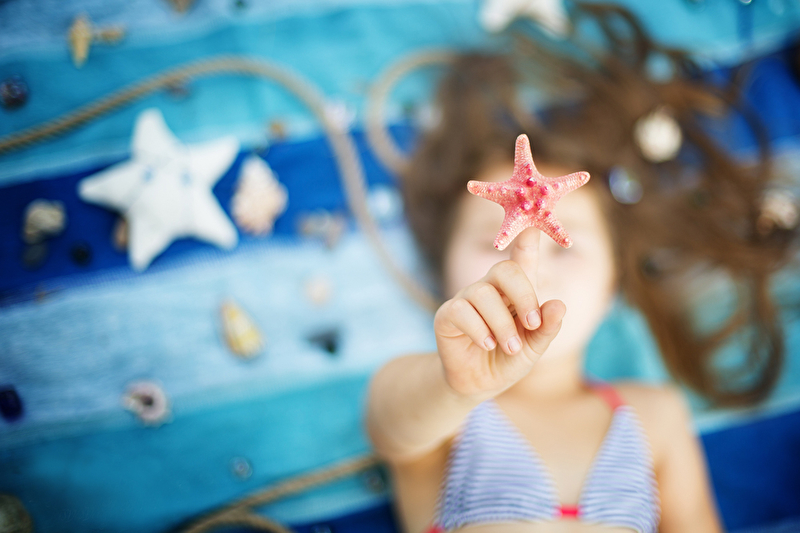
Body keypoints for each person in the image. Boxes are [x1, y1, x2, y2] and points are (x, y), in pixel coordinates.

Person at [366, 4, 797, 533]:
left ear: (615, 279)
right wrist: (455, 387)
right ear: (441, 273)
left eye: (564, 243)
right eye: (493, 239)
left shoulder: (656, 414)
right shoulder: (440, 410)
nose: (529, 259)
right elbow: (388, 423)